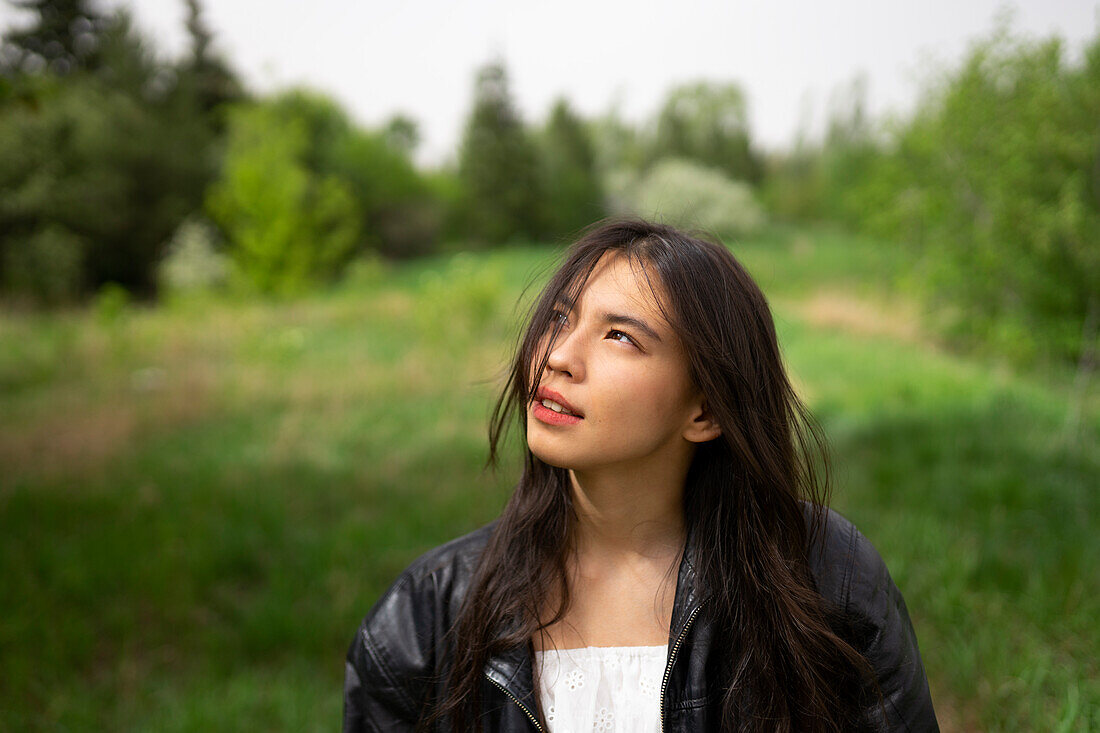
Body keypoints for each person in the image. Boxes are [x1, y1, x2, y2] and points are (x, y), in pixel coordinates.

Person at [343, 219, 939, 732]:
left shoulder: (825, 579)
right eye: (559, 317)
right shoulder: (426, 616)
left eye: (619, 336)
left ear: (704, 410)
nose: (557, 356)